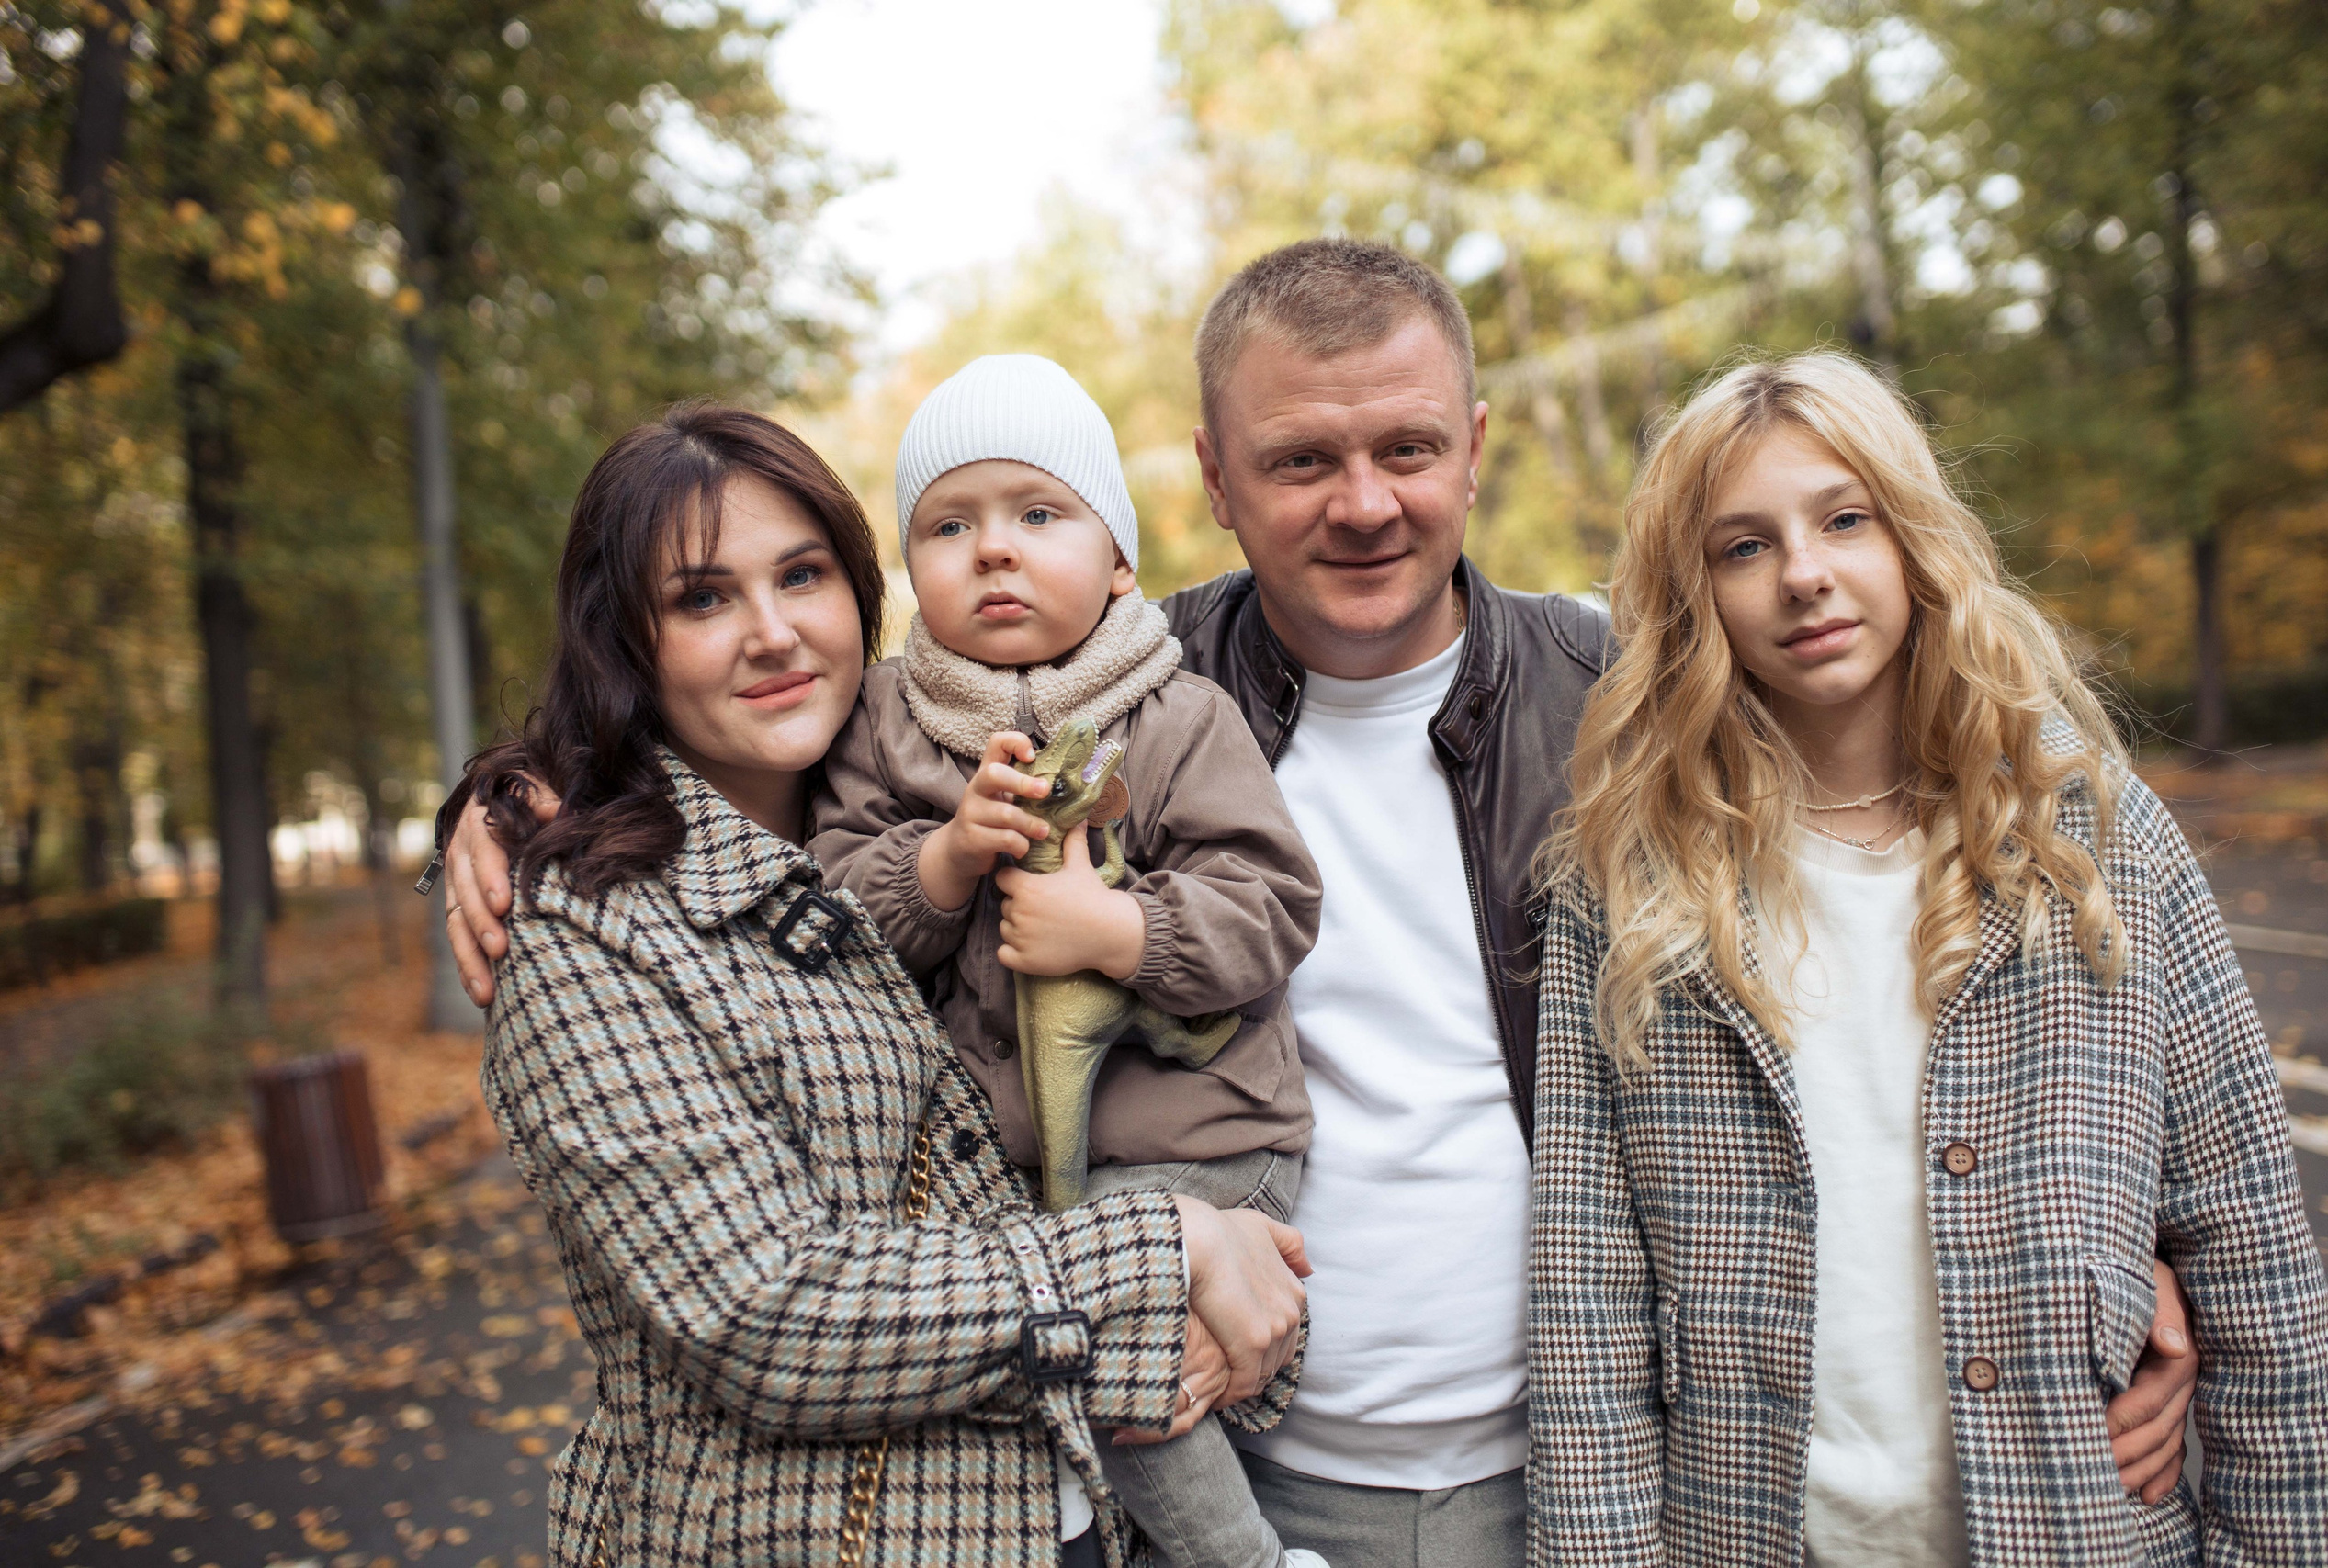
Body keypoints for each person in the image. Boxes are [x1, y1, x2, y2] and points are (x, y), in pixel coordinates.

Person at [437, 241, 2202, 1565]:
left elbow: (1928, 780)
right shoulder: (1110, 690)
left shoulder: (1625, 697)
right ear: (1210, 482)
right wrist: (518, 791)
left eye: (1409, 450)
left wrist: (2116, 1261)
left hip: (1596, 1465)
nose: (1365, 503)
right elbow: (786, 727)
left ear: (1476, 448)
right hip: (1239, 1454)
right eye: (1301, 462)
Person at [450, 402, 1310, 1568]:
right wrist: (1164, 1253)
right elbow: (766, 1312)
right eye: (702, 598)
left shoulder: (897, 786)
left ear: (863, 599)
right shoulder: (588, 927)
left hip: (1062, 1521)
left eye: (801, 576)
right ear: (627, 642)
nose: (771, 633)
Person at [1526, 352, 2328, 1562]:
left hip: (2073, 1526)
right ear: (1693, 592)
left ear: (1912, 535)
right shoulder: (1634, 886)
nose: (1805, 573)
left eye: (1844, 519)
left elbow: (2249, 1244)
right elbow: (1587, 1306)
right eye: (1742, 545)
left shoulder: (2094, 835)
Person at [807, 353, 1327, 1568]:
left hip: (1201, 1143)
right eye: (950, 523)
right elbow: (827, 925)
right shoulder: (883, 728)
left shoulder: (1181, 714)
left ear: (1119, 559)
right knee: (1056, 1334)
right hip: (1005, 1183)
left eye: (1040, 513)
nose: (995, 549)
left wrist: (1119, 930)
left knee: (1103, 1321)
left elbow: (1274, 900)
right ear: (907, 566)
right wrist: (939, 867)